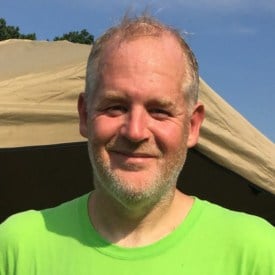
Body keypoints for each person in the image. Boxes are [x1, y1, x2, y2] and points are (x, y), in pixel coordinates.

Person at [0, 14, 274, 275]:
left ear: (192, 126)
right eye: (115, 107)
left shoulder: (256, 254)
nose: (135, 131)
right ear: (85, 115)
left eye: (159, 111)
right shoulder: (18, 248)